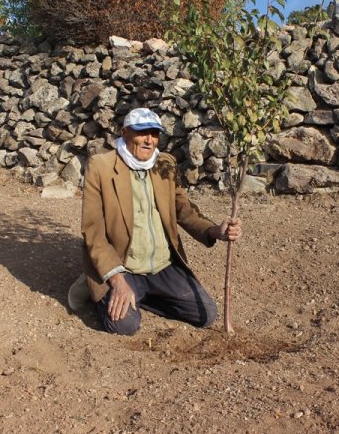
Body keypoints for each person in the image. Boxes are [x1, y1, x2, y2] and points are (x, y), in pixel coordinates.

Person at [80, 107, 241, 335]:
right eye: (142, 132)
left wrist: (215, 231)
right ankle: (106, 287)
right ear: (124, 133)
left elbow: (183, 209)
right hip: (124, 265)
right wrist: (116, 280)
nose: (149, 140)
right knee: (123, 325)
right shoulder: (101, 166)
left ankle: (141, 296)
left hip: (162, 266)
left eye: (154, 134)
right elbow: (92, 229)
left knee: (206, 313)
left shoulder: (165, 163)